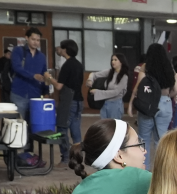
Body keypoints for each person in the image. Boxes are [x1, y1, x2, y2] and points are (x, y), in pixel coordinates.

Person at [128, 43, 177, 170]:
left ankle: (146, 171)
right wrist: (166, 98)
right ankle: (162, 172)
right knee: (161, 140)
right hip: (165, 103)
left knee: (144, 140)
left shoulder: (146, 67)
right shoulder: (169, 67)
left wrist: (130, 104)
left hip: (148, 105)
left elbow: (138, 87)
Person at [45, 39, 84, 169]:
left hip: (69, 101)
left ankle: (66, 159)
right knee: (75, 130)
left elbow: (59, 86)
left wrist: (49, 78)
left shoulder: (67, 65)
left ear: (65, 50)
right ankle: (78, 158)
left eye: (61, 48)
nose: (59, 50)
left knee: (62, 128)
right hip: (79, 100)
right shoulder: (79, 65)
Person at [10, 27, 48, 122]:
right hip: (19, 93)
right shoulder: (18, 51)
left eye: (38, 40)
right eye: (33, 39)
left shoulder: (42, 56)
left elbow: (44, 73)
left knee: (34, 124)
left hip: (35, 94)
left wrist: (46, 92)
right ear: (27, 38)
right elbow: (17, 67)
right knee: (18, 124)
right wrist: (33, 76)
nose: (36, 42)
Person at [87, 54, 129, 120]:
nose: (113, 61)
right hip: (105, 103)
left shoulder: (124, 76)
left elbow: (116, 92)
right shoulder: (110, 72)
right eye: (112, 60)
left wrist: (97, 92)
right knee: (104, 125)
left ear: (121, 62)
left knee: (114, 125)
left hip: (115, 104)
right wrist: (90, 80)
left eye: (115, 60)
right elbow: (94, 74)